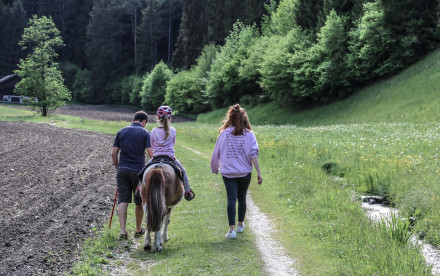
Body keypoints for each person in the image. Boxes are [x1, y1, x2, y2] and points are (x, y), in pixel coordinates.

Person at [210, 104, 263, 239]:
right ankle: (240, 224)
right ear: (245, 119)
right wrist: (258, 172)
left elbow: (217, 151)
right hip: (245, 172)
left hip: (228, 173)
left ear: (230, 118)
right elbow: (253, 154)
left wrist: (215, 167)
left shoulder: (224, 133)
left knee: (231, 198)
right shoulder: (250, 135)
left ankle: (231, 230)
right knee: (242, 197)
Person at [112, 111, 153, 240]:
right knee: (139, 201)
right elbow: (151, 154)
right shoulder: (145, 133)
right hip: (138, 173)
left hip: (123, 171)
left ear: (133, 119)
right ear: (144, 122)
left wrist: (118, 168)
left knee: (123, 201)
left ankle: (123, 232)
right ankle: (138, 229)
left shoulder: (121, 131)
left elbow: (114, 154)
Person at [148, 105, 195, 200]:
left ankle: (139, 189)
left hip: (156, 157)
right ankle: (188, 191)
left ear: (157, 117)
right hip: (169, 157)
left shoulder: (153, 131)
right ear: (170, 118)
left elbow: (152, 145)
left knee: (142, 172)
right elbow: (172, 143)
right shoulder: (173, 130)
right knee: (183, 172)